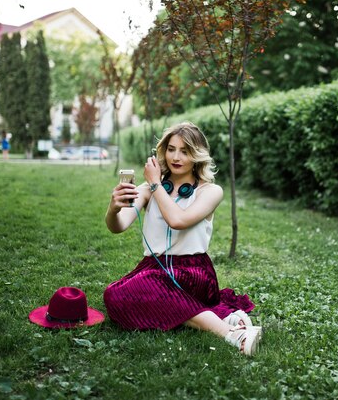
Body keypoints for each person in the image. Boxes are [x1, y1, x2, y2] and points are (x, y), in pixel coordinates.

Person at [103, 122, 262, 355]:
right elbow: (118, 226)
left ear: (197, 156)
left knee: (119, 295)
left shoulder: (210, 191)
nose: (176, 157)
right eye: (171, 149)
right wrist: (113, 208)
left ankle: (232, 335)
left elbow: (178, 220)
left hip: (192, 271)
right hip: (154, 269)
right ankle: (221, 318)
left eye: (185, 151)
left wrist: (156, 184)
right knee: (114, 295)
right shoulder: (149, 189)